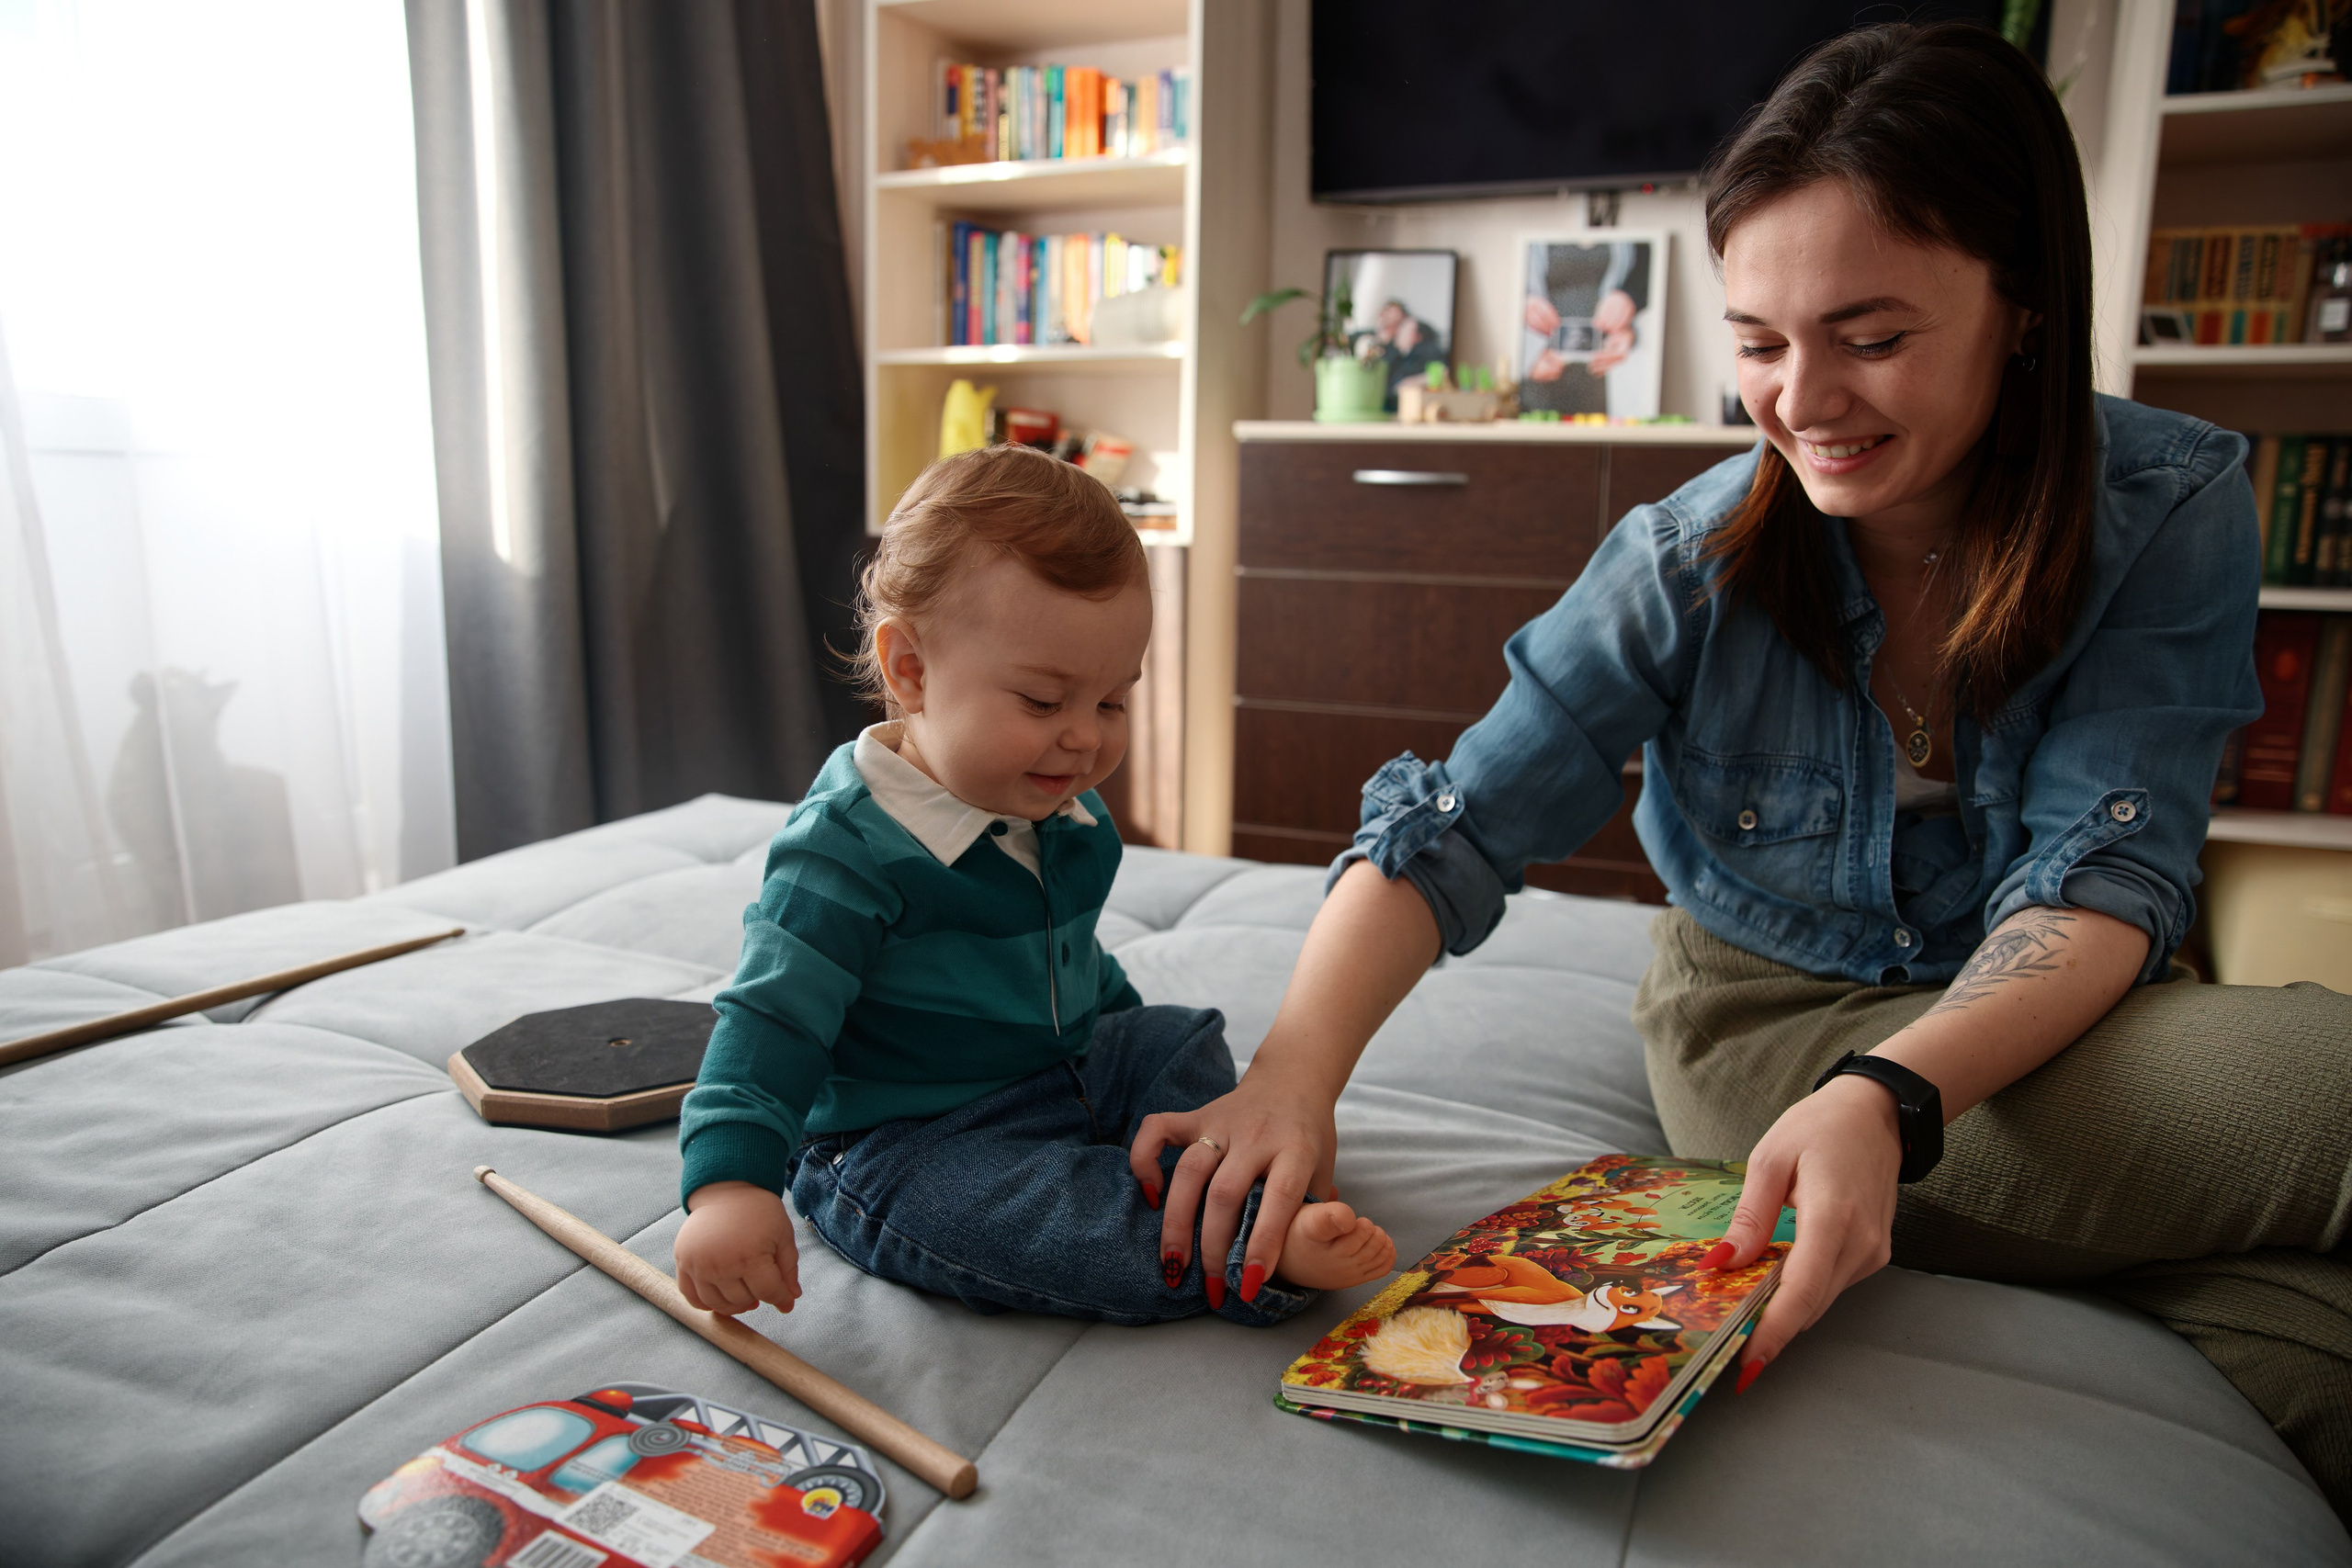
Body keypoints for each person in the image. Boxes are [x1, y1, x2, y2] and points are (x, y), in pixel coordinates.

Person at [1131, 22, 2352, 1513]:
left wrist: (1893, 1096)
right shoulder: (1686, 559)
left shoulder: (2170, 506)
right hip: (1769, 1035)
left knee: (2321, 1355)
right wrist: (1290, 1078)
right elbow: (1456, 825)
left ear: (2023, 302)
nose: (1804, 400)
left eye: (1873, 335)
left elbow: (2104, 873)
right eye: (1761, 342)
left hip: (2037, 1018)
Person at [672, 444, 1394, 1328]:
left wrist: (1134, 1048)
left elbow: (1070, 959)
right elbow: (764, 1026)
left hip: (1062, 1066)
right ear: (912, 671)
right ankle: (1243, 1241)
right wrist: (728, 1188)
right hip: (910, 1134)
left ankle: (1224, 1171)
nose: (1085, 740)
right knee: (999, 1215)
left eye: (1113, 702)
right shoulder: (842, 852)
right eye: (1046, 703)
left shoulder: (1059, 806)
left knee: (1174, 1037)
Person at [1521, 240, 1648, 413]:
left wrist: (1629, 302)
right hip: (1540, 371)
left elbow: (1646, 277)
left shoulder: (1633, 241)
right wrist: (1527, 352)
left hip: (1597, 374)